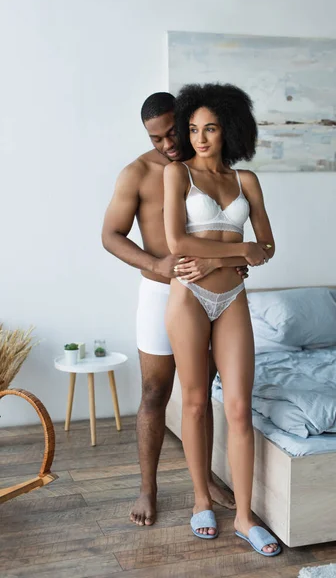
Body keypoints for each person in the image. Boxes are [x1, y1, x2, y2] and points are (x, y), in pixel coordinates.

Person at [102, 92, 246, 527]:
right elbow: (110, 234)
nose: (167, 144)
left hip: (212, 294)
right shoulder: (139, 173)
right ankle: (148, 487)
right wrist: (155, 264)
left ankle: (206, 484)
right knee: (154, 393)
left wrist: (232, 260)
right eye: (156, 137)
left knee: (201, 392)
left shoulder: (208, 171)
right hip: (163, 293)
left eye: (172, 132)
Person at [163, 83, 281, 556]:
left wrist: (222, 260)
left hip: (232, 297)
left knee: (238, 408)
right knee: (193, 402)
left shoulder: (246, 180)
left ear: (229, 129)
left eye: (210, 128)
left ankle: (246, 517)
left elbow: (268, 248)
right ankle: (200, 500)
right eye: (193, 129)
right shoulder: (178, 174)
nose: (200, 138)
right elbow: (176, 243)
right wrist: (235, 252)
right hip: (188, 296)